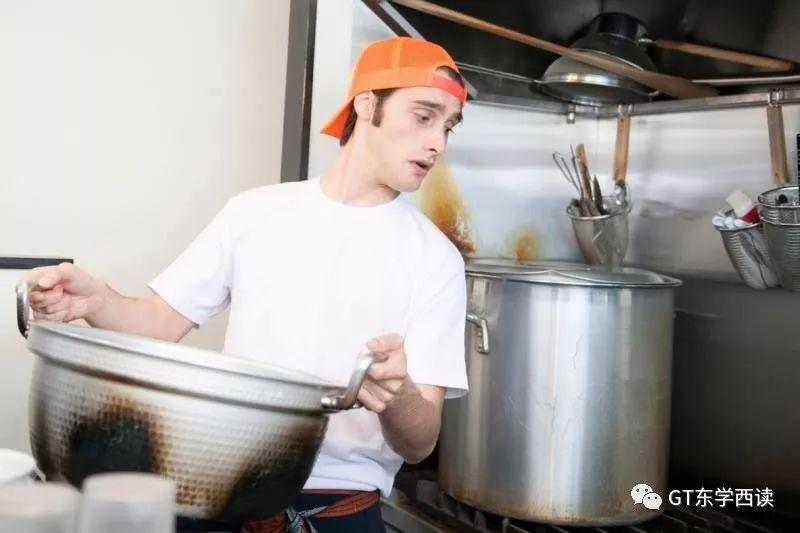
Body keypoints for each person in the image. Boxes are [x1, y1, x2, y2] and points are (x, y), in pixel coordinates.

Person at [23, 36, 468, 532]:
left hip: (336, 508)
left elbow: (420, 442)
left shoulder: (436, 260)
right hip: (220, 490)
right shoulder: (255, 212)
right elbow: (159, 324)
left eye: (448, 126)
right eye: (423, 116)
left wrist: (398, 395)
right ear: (366, 105)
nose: (438, 143)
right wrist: (96, 300)